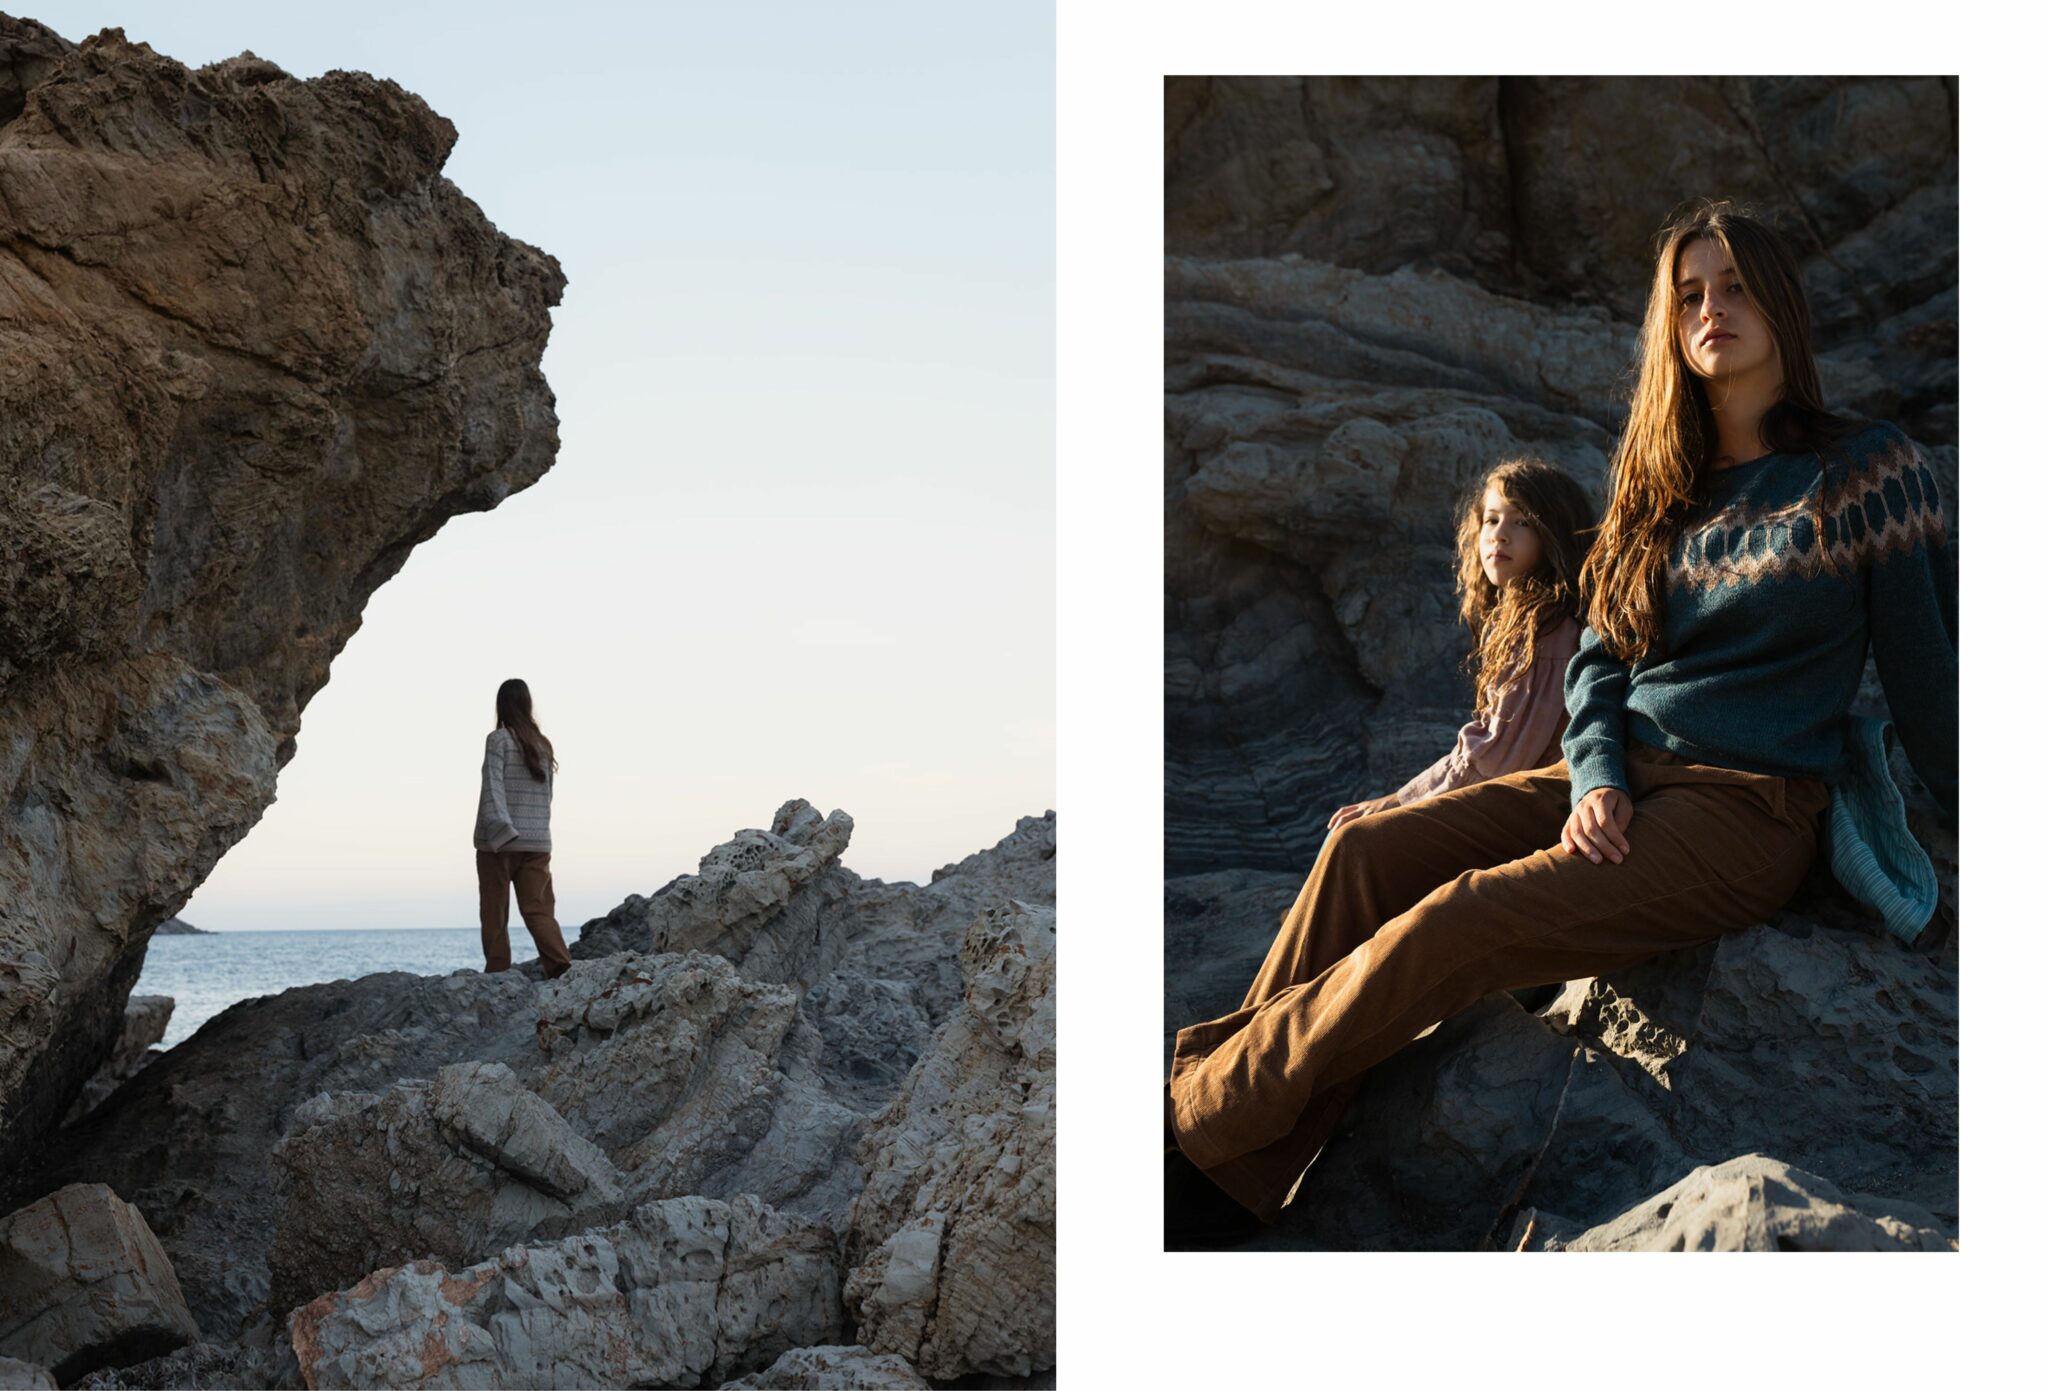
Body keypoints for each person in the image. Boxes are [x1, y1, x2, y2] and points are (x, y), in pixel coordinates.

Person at [1165, 199, 1957, 1244]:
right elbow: (1597, 661)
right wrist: (1594, 779)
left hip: (1741, 810)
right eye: (1687, 295)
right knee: (1364, 845)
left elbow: (1930, 686)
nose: (1709, 309)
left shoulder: (1869, 469)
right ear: (1667, 325)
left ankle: (1187, 1128)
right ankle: (1235, 1161)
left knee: (1461, 915)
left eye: (1731, 285)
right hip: (1616, 778)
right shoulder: (1655, 485)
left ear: (1778, 302)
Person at [1327, 457, 1595, 831]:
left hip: (1533, 814)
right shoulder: (1521, 619)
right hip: (1513, 802)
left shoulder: (1547, 629)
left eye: (1522, 522)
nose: (1499, 534)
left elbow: (1497, 757)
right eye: (1491, 519)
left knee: (1352, 838)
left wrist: (1400, 801)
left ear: (1555, 535)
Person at [473, 677, 572, 980]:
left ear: (501, 705)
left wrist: (501, 829)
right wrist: (538, 831)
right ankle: (560, 968)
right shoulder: (542, 744)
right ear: (528, 705)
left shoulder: (498, 739)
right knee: (538, 910)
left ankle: (498, 972)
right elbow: (547, 797)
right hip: (538, 842)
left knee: (495, 911)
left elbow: (493, 787)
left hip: (499, 843)